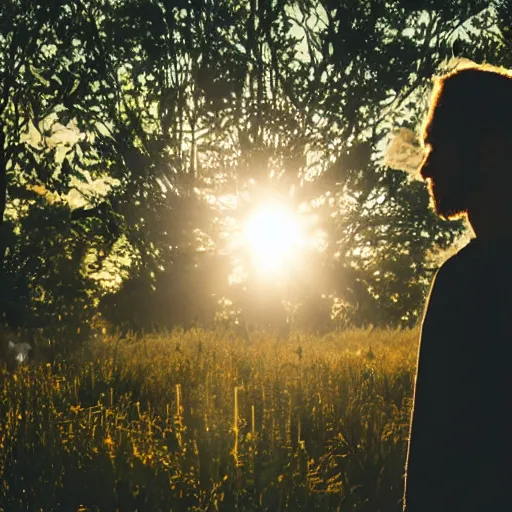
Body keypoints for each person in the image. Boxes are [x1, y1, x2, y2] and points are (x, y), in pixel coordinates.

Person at [403, 63, 512, 511]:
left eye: (436, 144)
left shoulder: (465, 284)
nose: (424, 167)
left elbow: (433, 467)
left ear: (487, 152)